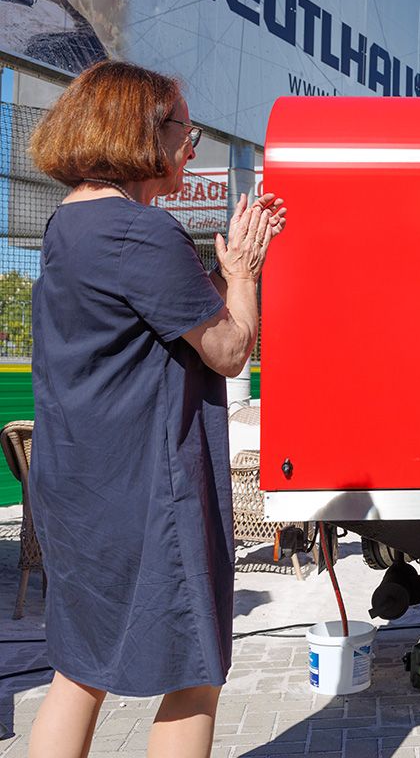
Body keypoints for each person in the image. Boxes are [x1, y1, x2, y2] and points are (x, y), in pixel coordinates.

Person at [24, 60, 285, 758]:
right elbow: (228, 350)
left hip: (75, 486)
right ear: (139, 131)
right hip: (145, 491)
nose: (191, 144)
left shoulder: (66, 226)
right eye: (183, 127)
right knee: (194, 673)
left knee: (79, 671)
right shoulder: (140, 232)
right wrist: (243, 273)